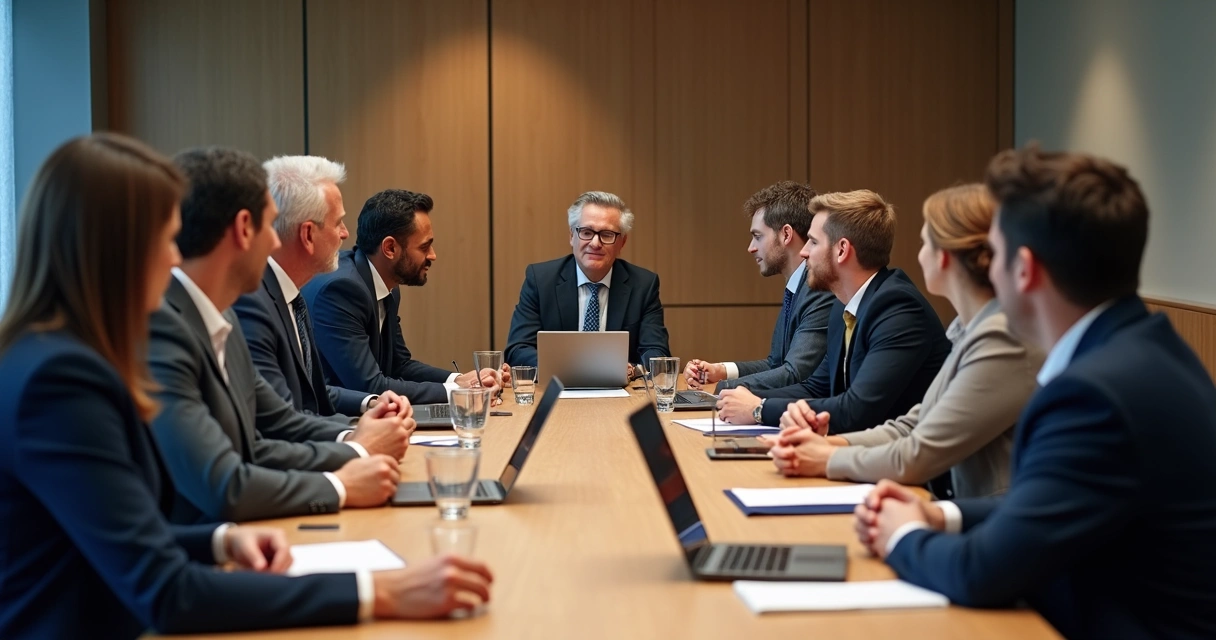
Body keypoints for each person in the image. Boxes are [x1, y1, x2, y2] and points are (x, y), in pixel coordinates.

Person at [0, 133, 493, 639]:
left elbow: (113, 532)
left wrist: (217, 543)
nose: (176, 260)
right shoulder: (60, 382)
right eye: (167, 240)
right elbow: (167, 591)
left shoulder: (57, 355)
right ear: (114, 249)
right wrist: (379, 591)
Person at [855, 146, 1216, 638]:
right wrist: (941, 514)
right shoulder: (1148, 351)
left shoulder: (1094, 397)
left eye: (995, 254)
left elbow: (980, 573)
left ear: (1023, 270)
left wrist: (902, 534)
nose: (988, 267)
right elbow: (1047, 500)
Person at [149, 146, 411, 524]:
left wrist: (357, 439)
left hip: (238, 535)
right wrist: (347, 469)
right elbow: (226, 482)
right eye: (268, 226)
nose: (275, 243)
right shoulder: (164, 330)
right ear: (243, 228)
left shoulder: (223, 314)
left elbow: (275, 424)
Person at [767, 184, 1041, 499]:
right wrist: (824, 445)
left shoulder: (1002, 336)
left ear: (946, 257)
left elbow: (918, 453)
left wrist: (825, 457)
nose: (919, 252)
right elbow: (912, 425)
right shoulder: (964, 330)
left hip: (985, 523)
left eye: (925, 242)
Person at [716, 190, 952, 433]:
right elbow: (816, 388)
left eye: (813, 242)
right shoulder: (844, 304)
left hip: (900, 464)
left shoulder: (898, 308)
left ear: (842, 250)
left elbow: (856, 410)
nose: (804, 252)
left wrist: (760, 409)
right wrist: (743, 397)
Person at [302, 189, 500, 404]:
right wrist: (459, 392)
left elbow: (400, 366)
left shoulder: (386, 286)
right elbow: (370, 386)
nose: (433, 255)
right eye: (424, 246)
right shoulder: (342, 290)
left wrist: (460, 379)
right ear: (390, 248)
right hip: (335, 420)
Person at [232, 155, 381, 418]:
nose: (345, 234)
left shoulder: (289, 294)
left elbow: (311, 393)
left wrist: (371, 404)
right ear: (308, 235)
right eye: (338, 223)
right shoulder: (253, 304)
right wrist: (354, 438)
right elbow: (282, 417)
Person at [684, 181, 834, 392]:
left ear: (786, 234)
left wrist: (721, 389)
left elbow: (795, 373)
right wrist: (720, 371)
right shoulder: (796, 286)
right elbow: (776, 364)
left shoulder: (819, 289)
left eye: (757, 236)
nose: (751, 248)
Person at [504, 190, 671, 376]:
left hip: (621, 394)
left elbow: (657, 353)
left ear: (622, 242)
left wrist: (633, 370)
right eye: (586, 232)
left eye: (607, 234)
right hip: (557, 389)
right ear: (571, 236)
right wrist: (572, 369)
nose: (595, 243)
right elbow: (518, 348)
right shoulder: (541, 280)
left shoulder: (643, 285)